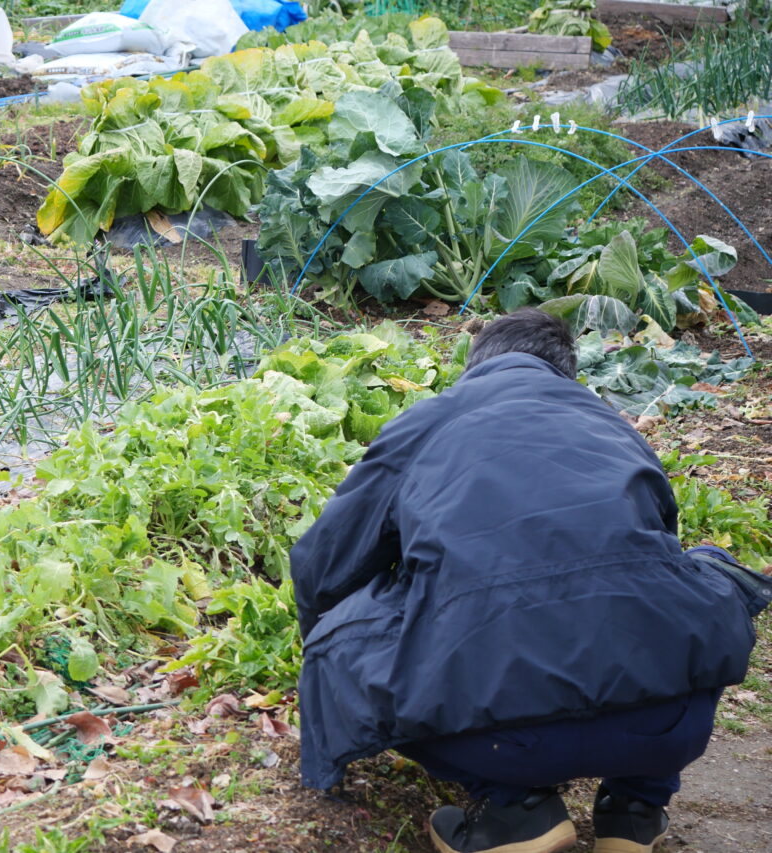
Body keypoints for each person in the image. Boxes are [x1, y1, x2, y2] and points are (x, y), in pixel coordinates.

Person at [290, 309, 771, 853]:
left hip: (501, 741)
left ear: (476, 366)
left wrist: (334, 653)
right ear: (565, 371)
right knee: (697, 574)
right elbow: (658, 564)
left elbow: (322, 569)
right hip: (663, 730)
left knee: (340, 635)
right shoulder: (611, 424)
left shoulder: (430, 420)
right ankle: (635, 809)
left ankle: (514, 812)